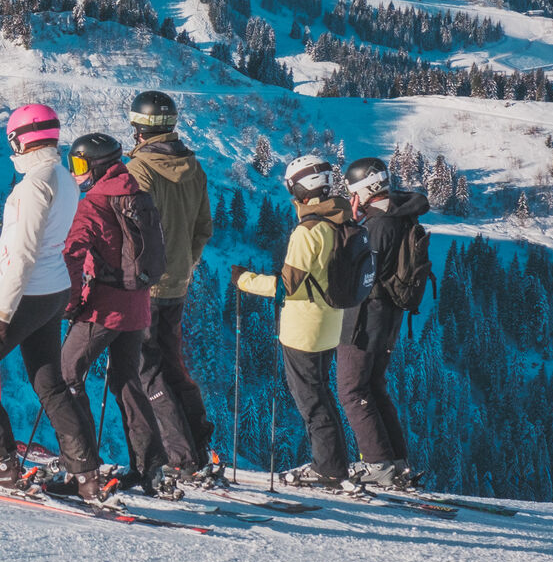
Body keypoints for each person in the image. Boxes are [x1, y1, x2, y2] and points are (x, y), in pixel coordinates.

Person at [0, 104, 97, 492]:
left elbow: (24, 250)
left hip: (26, 293)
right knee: (49, 382)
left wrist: (2, 309)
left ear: (22, 139)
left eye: (12, 139)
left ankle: (0, 461)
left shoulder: (33, 185)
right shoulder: (64, 177)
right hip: (53, 291)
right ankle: (86, 469)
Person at [58, 132, 171, 497]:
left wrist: (69, 305)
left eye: (78, 164)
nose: (75, 173)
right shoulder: (135, 194)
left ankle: (81, 467)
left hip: (105, 307)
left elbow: (73, 256)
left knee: (66, 375)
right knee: (126, 382)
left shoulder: (94, 203)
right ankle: (151, 467)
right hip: (138, 304)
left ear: (96, 165)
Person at [230, 155, 353, 489]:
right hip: (330, 322)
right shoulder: (341, 220)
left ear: (301, 189)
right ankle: (336, 464)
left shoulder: (308, 231)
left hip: (304, 329)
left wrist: (244, 281)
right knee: (322, 395)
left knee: (311, 401)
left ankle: (328, 468)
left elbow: (288, 286)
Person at [124, 91, 215, 482]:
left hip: (146, 284)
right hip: (178, 281)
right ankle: (198, 446)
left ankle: (180, 458)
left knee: (147, 370)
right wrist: (185, 264)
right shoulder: (194, 168)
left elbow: (132, 233)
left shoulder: (139, 170)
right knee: (174, 366)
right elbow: (203, 229)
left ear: (140, 129)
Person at [339, 156, 430, 488]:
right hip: (390, 316)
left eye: (353, 191)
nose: (353, 198)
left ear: (366, 189)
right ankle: (396, 462)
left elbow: (361, 274)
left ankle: (378, 463)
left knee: (351, 390)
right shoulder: (401, 218)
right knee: (374, 387)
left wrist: (349, 228)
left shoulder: (378, 226)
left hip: (366, 319)